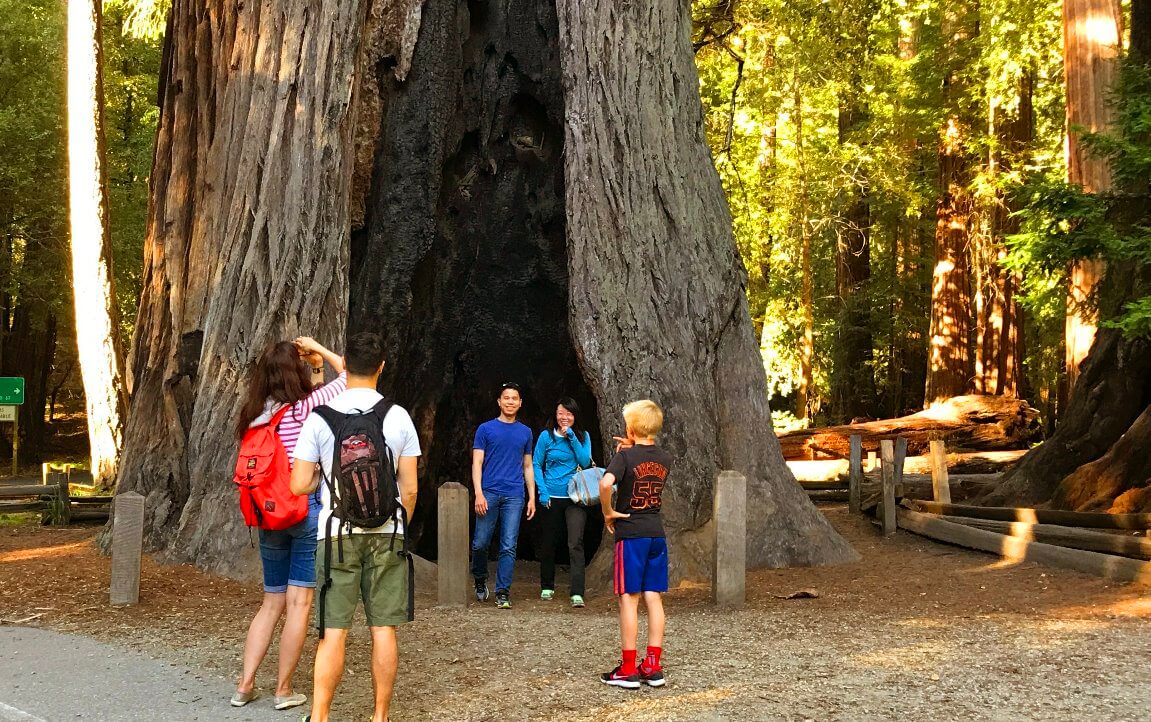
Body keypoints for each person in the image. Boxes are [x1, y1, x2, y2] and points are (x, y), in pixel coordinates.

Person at [289, 331, 420, 722]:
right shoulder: (398, 416)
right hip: (388, 535)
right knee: (383, 629)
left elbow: (298, 483)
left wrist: (320, 483)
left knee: (334, 632)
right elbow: (410, 489)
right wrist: (395, 524)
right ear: (382, 367)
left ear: (345, 363)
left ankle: (320, 715)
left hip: (336, 536)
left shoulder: (321, 417)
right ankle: (380, 716)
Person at [231, 336, 346, 710]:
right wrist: (320, 352)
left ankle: (244, 685)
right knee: (299, 603)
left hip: (267, 512)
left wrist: (311, 366)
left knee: (271, 601)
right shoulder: (305, 409)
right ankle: (282, 690)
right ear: (295, 373)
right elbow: (348, 373)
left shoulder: (253, 413)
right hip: (303, 509)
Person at [598, 400, 671, 690]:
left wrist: (608, 510)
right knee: (653, 597)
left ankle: (628, 668)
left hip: (631, 534)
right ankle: (652, 666)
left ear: (630, 427)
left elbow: (606, 484)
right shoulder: (665, 457)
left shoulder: (624, 458)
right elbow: (646, 460)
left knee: (629, 598)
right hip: (656, 532)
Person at [471, 382, 537, 608]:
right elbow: (477, 462)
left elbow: (528, 465)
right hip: (488, 491)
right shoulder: (485, 429)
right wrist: (478, 493)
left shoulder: (525, 432)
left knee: (508, 544)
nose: (510, 401)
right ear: (499, 401)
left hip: (514, 494)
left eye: (514, 398)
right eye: (506, 397)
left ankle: (502, 592)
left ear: (520, 403)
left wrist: (531, 496)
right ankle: (479, 579)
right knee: (480, 543)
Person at [531, 397, 593, 607]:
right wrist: (543, 492)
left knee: (575, 543)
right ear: (555, 414)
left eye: (569, 414)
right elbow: (536, 464)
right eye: (560, 413)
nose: (564, 417)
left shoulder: (583, 436)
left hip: (576, 497)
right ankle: (547, 586)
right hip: (551, 497)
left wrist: (573, 438)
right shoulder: (546, 437)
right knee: (549, 542)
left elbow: (585, 461)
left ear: (575, 416)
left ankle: (577, 592)